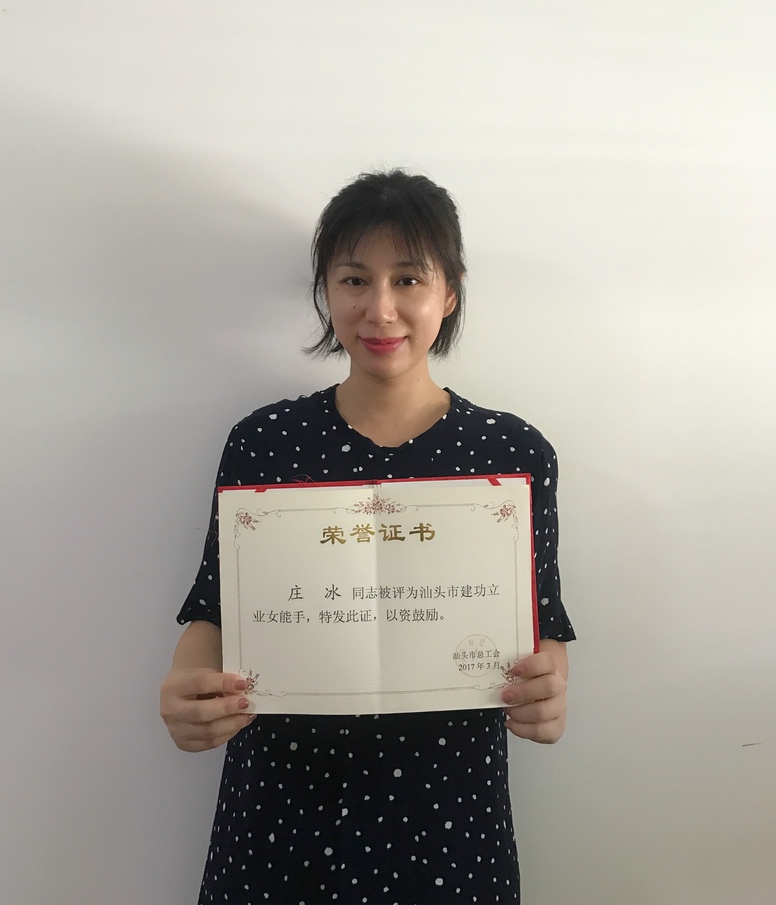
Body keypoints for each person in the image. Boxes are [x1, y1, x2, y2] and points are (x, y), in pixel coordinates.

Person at [160, 169, 575, 903]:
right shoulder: (265, 442)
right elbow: (216, 609)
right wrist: (186, 692)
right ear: (327, 291)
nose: (380, 309)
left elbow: (539, 625)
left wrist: (546, 691)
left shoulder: (512, 453)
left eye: (408, 279)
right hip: (281, 815)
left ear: (449, 293)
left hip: (449, 818)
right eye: (354, 280)